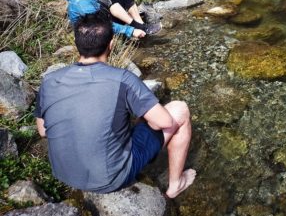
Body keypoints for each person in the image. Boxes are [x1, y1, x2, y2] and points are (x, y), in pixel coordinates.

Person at [35, 12, 196, 197]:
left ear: (76, 43)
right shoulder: (123, 79)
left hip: (63, 173)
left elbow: (43, 130)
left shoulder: (49, 80)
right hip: (110, 178)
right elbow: (165, 122)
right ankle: (176, 185)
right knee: (180, 110)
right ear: (111, 44)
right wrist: (143, 118)